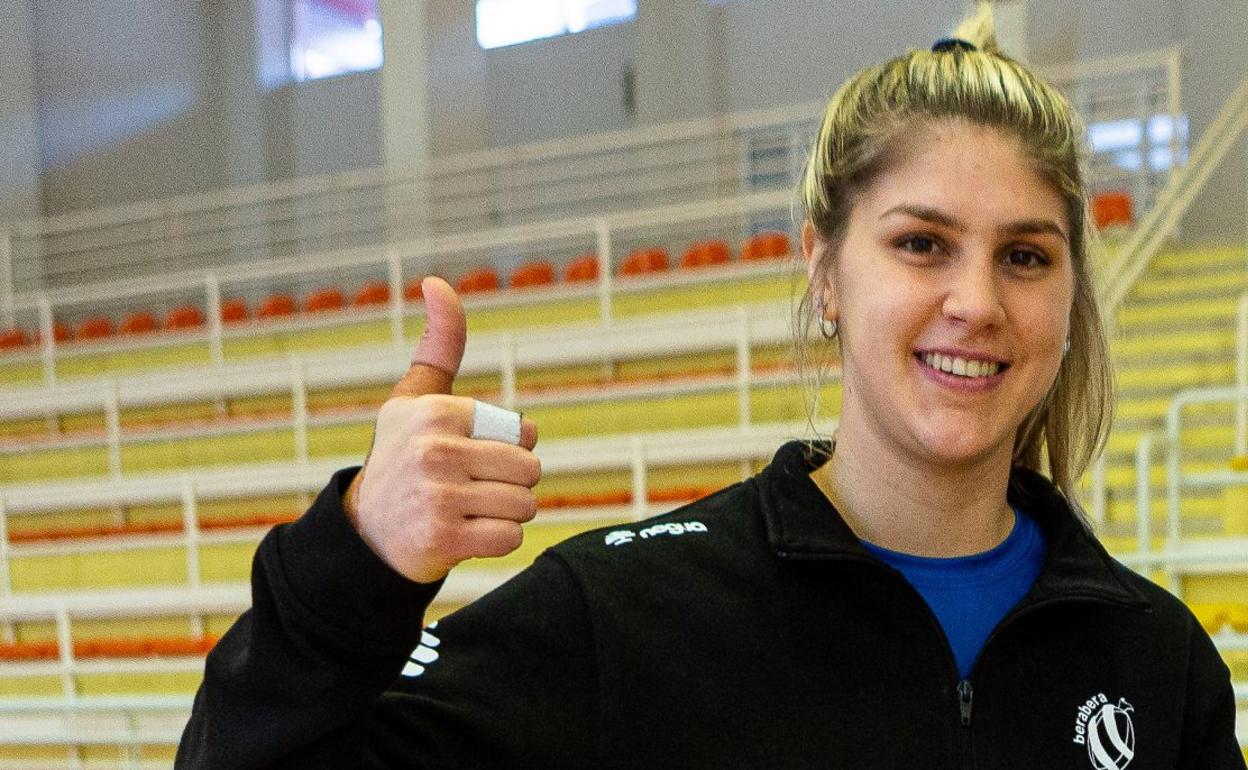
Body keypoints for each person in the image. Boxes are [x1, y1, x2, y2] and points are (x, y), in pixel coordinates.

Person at [177, 6, 1245, 768]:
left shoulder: (1155, 662)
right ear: (826, 271)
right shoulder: (625, 622)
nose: (976, 299)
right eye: (922, 243)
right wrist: (356, 557)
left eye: (1025, 255)